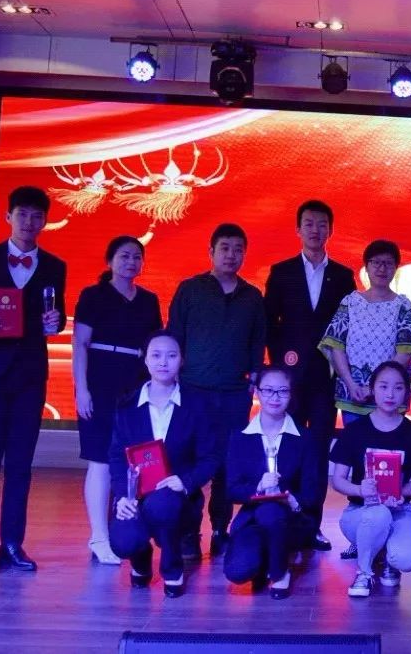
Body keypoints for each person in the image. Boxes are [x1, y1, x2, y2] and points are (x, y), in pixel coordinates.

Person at [0, 186, 67, 575]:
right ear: (8, 217)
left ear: (45, 221)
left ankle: (12, 543)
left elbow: (56, 317)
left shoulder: (55, 266)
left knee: (21, 464)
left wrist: (55, 322)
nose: (29, 222)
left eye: (37, 216)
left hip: (29, 376)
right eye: (22, 214)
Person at [167, 223, 265, 559]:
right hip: (191, 390)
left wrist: (254, 377)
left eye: (238, 249)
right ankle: (188, 533)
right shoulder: (190, 289)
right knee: (190, 460)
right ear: (211, 252)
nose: (231, 255)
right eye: (225, 248)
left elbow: (257, 341)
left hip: (235, 394)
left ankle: (221, 529)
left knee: (226, 462)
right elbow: (174, 336)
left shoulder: (252, 296)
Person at [265, 200, 356, 551]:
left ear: (330, 230)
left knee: (317, 451)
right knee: (286, 446)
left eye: (321, 224)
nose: (315, 230)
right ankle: (283, 519)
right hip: (288, 380)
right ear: (298, 229)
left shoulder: (344, 276)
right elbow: (270, 322)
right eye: (308, 223)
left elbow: (348, 327)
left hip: (324, 380)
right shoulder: (282, 271)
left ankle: (311, 525)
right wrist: (281, 363)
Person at [72, 236, 162, 565]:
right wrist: (82, 390)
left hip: (135, 384)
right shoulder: (93, 295)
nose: (131, 262)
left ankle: (123, 531)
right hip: (100, 381)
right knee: (99, 458)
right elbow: (80, 344)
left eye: (137, 257)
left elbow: (155, 346)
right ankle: (98, 536)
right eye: (124, 256)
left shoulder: (149, 300)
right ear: (109, 261)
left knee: (133, 459)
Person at [108, 331, 219, 598]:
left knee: (164, 504)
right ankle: (141, 557)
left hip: (178, 498)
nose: (163, 362)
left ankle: (172, 565)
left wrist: (186, 481)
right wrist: (122, 497)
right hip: (136, 496)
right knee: (123, 542)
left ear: (182, 360)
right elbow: (116, 457)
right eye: (156, 355)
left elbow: (211, 458)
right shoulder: (127, 406)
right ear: (145, 359)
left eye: (171, 355)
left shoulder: (197, 405)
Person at [330, 361, 411, 597]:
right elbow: (338, 480)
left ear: (407, 393)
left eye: (398, 388)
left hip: (399, 510)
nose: (390, 394)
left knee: (407, 559)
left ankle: (387, 558)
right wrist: (360, 490)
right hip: (360, 512)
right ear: (372, 389)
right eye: (383, 386)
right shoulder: (355, 431)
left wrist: (400, 492)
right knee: (378, 514)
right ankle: (364, 572)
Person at [223, 366, 322, 600]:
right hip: (253, 520)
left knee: (272, 510)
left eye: (282, 391)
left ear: (291, 394)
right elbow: (232, 489)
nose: (275, 398)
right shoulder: (240, 437)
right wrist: (258, 487)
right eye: (268, 390)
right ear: (257, 392)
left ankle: (279, 571)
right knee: (237, 571)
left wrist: (291, 500)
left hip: (292, 520)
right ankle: (267, 558)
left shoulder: (305, 438)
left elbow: (312, 492)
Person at [320, 239, 411, 425]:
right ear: (366, 266)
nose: (382, 269)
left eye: (388, 263)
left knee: (388, 443)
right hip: (354, 395)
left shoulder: (403, 306)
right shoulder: (350, 302)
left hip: (390, 396)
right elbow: (336, 346)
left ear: (396, 268)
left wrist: (375, 387)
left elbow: (406, 351)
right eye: (376, 262)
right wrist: (351, 384)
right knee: (355, 442)